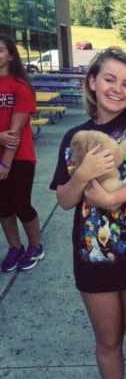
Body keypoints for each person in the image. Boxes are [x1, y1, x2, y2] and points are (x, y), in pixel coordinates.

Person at [50, 47, 126, 379]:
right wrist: (82, 174)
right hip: (94, 256)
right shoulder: (73, 138)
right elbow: (63, 199)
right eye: (109, 79)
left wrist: (109, 197)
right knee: (106, 343)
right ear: (92, 82)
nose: (118, 89)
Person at [0, 34, 45, 273]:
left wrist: (5, 165)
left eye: (0, 50)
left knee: (20, 204)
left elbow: (14, 135)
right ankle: (14, 248)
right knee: (2, 207)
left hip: (20, 158)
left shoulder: (21, 87)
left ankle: (35, 247)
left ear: (10, 55)